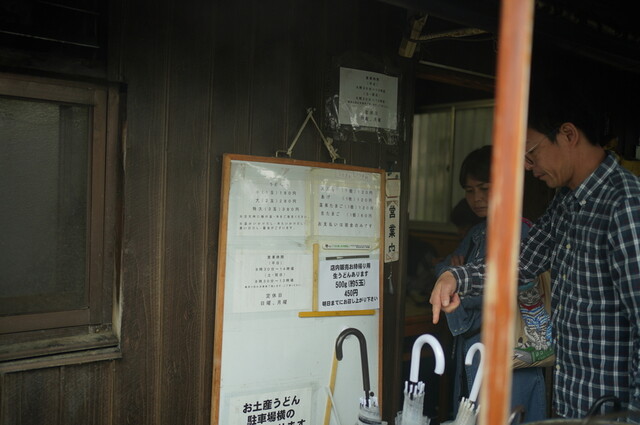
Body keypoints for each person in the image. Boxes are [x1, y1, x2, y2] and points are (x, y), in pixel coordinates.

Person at [429, 78, 640, 419]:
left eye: (531, 153)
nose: (528, 166)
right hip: (573, 402)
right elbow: (521, 263)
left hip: (612, 411)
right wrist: (457, 277)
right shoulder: (566, 202)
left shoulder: (625, 204)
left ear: (568, 134)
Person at [434, 145, 547, 423]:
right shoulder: (477, 231)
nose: (477, 198)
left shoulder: (520, 231)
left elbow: (490, 293)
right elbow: (441, 270)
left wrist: (457, 277)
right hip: (475, 347)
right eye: (470, 190)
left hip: (511, 353)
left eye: (484, 188)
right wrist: (453, 275)